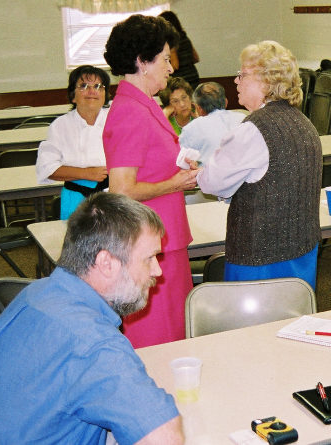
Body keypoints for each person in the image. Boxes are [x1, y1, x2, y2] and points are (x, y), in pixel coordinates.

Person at [0, 193, 184, 444]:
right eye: (149, 258)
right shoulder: (91, 342)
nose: (158, 270)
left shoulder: (38, 293)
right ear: (106, 263)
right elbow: (163, 438)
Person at [103, 14, 199, 348]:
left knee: (176, 334)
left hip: (164, 239)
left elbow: (150, 165)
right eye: (163, 59)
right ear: (143, 62)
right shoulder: (130, 110)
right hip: (148, 247)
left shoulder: (147, 104)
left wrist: (179, 165)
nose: (171, 67)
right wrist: (175, 183)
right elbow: (121, 190)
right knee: (159, 340)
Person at [195, 41, 322, 289]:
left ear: (266, 81)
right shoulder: (305, 123)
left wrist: (199, 172)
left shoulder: (253, 129)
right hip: (302, 249)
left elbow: (212, 182)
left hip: (260, 259)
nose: (236, 81)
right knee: (293, 317)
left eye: (242, 74)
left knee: (253, 326)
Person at [36, 65, 110, 219]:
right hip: (76, 197)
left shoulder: (116, 119)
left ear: (104, 94)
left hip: (113, 195)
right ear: (73, 96)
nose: (92, 91)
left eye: (98, 86)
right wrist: (86, 173)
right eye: (84, 86)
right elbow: (47, 168)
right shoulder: (61, 125)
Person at [179, 81, 244, 165]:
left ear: (199, 109)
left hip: (209, 176)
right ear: (226, 102)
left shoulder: (192, 128)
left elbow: (179, 160)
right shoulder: (243, 118)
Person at [158, 10, 200, 89]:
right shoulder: (184, 37)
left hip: (182, 80)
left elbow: (175, 65)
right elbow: (196, 58)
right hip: (193, 76)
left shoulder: (172, 41)